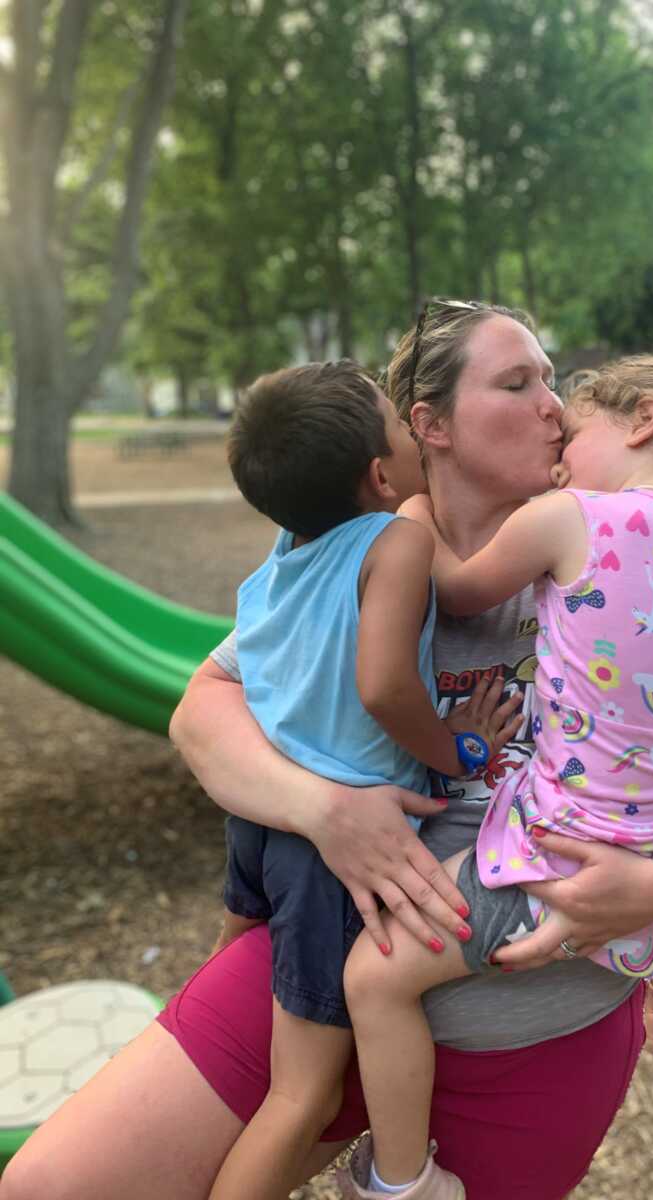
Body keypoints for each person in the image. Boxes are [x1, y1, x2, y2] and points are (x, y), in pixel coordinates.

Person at [0, 302, 653, 1200]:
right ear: (430, 426)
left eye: (554, 383)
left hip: (542, 1019)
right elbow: (201, 711)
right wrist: (326, 811)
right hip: (319, 974)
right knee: (52, 1187)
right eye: (518, 382)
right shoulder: (352, 549)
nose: (558, 409)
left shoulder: (623, 555)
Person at [337, 354, 653, 1197]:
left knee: (372, 975)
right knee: (651, 786)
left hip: (563, 857)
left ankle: (403, 1183)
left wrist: (414, 512)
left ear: (641, 421)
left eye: (574, 432)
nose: (561, 452)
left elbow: (460, 589)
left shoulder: (570, 516)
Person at [207, 361, 521, 1200]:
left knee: (234, 999)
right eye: (399, 423)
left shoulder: (289, 544)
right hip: (332, 853)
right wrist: (458, 750)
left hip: (260, 816)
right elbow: (385, 687)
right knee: (299, 1093)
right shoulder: (399, 541)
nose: (416, 431)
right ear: (383, 474)